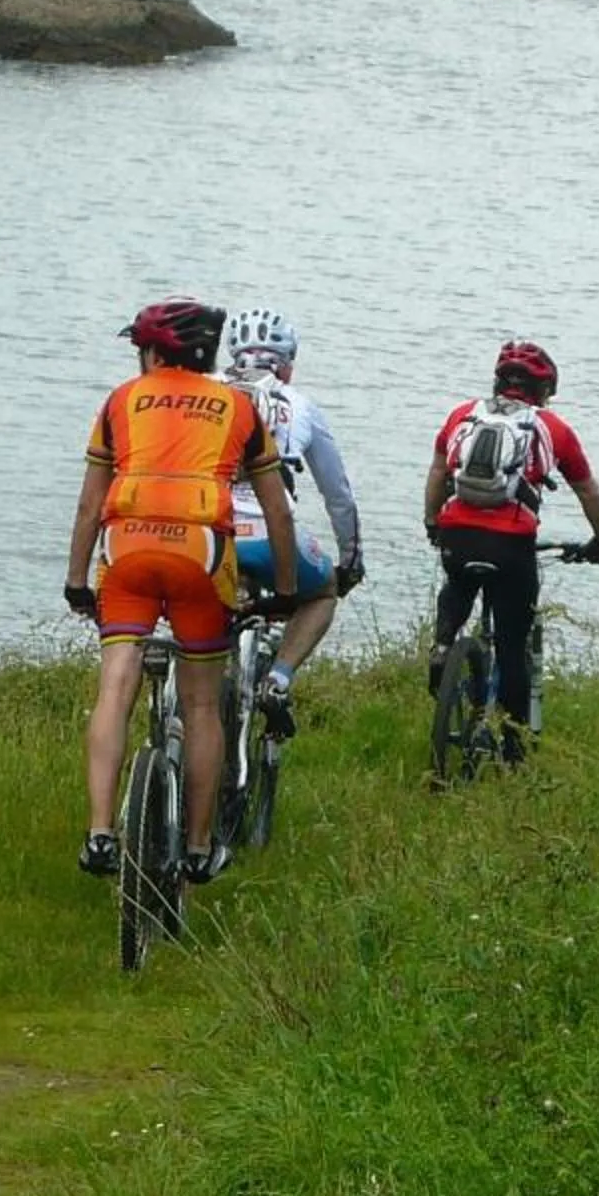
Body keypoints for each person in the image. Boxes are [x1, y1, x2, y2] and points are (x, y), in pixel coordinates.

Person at [67, 298, 300, 882]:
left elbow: (91, 503)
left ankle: (99, 834)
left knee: (115, 688)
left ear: (152, 352)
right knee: (201, 704)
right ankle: (198, 848)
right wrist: (288, 592)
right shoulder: (239, 408)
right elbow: (277, 509)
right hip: (203, 553)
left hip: (127, 549)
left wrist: (76, 582)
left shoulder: (120, 401)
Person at [423, 339, 599, 763]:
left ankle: (442, 646)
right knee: (512, 645)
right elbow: (587, 490)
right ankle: (514, 753)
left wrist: (432, 522)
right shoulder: (554, 429)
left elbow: (439, 471)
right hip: (511, 545)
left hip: (458, 536)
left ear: (498, 381)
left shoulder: (462, 415)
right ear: (543, 390)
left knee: (458, 583)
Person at [220, 307, 364, 740]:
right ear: (285, 365)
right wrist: (351, 560)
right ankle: (278, 680)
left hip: (204, 532)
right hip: (269, 537)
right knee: (323, 593)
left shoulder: (205, 392)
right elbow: (338, 495)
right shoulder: (300, 405)